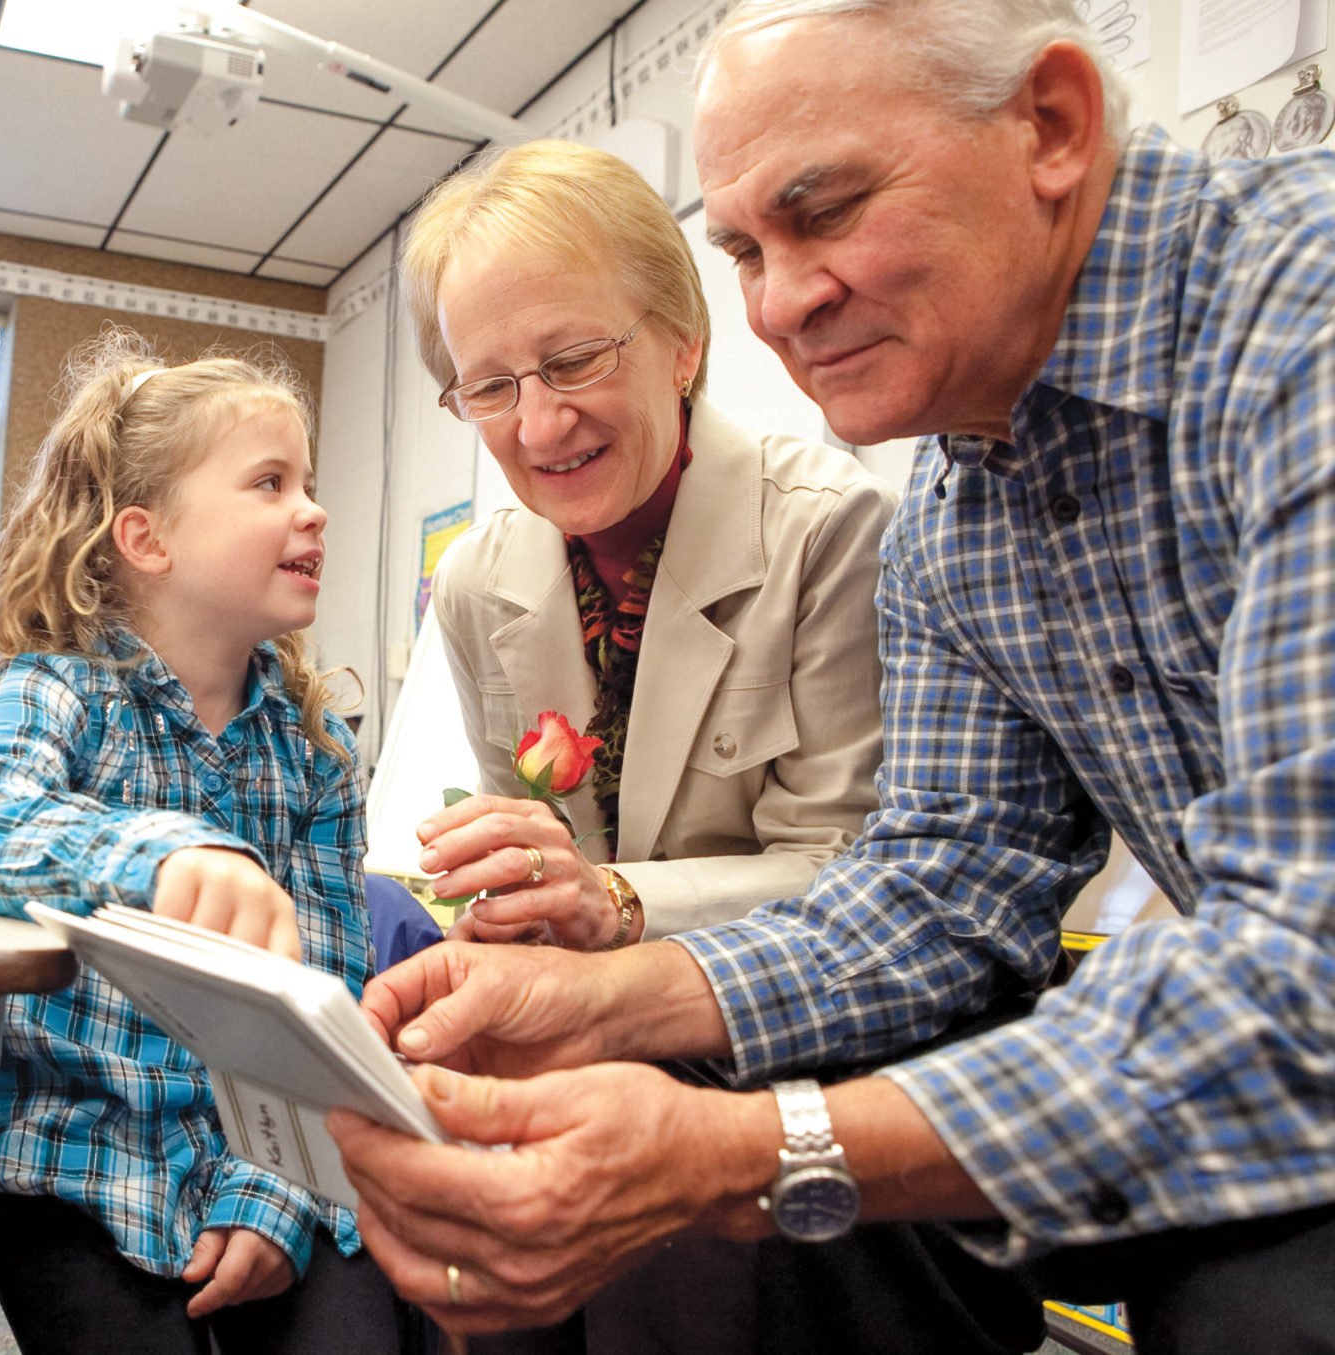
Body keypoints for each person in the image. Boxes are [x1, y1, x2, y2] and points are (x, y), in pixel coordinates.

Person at [328, 2, 1335, 1352]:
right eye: (746, 246)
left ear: (1053, 124)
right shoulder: (956, 508)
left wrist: (739, 1149)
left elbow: (1303, 966)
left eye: (830, 211)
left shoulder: (1299, 328)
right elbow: (936, 889)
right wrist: (585, 997)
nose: (784, 301)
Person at [395, 138, 1043, 1355]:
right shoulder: (479, 579)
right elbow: (536, 856)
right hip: (601, 1026)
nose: (538, 422)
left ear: (683, 342)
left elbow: (861, 880)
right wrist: (503, 900)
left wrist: (612, 903)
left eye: (574, 358)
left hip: (809, 1041)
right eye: (487, 387)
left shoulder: (829, 529)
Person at [0, 329, 409, 1353]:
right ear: (147, 539)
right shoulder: (53, 687)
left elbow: (327, 994)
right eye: (269, 482)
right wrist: (168, 854)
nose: (312, 509)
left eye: (308, 483)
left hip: (264, 1157)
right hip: (64, 1156)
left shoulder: (315, 758)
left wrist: (274, 1193)